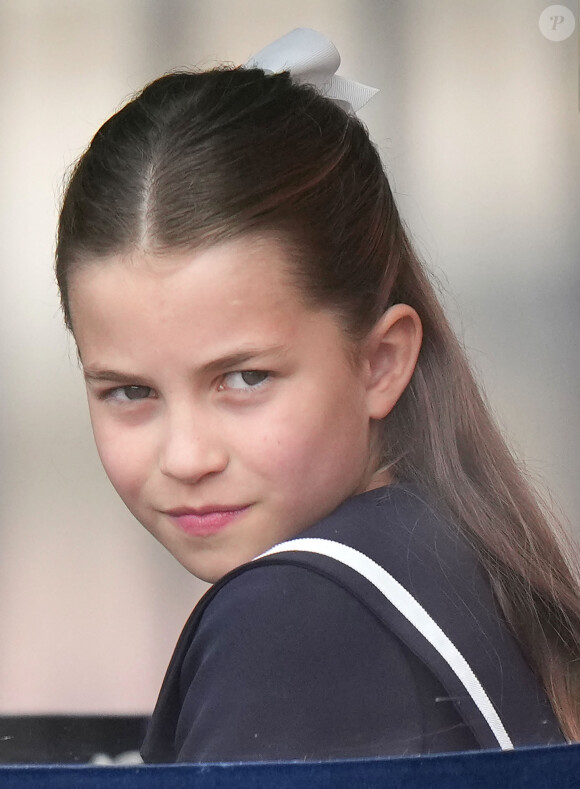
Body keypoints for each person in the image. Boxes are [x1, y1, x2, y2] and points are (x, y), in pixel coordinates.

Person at [55, 29, 579, 762]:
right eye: (130, 390)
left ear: (381, 362)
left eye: (245, 378)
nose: (187, 455)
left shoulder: (292, 621)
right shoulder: (451, 552)